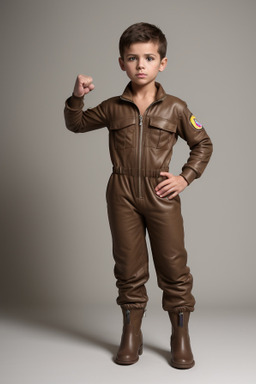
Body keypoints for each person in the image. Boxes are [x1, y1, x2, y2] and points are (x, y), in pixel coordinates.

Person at [64, 22, 213, 369]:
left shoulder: (176, 107)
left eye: (148, 57)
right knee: (128, 268)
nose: (140, 65)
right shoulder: (113, 106)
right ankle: (131, 334)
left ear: (162, 63)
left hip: (160, 194)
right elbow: (76, 123)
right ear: (122, 63)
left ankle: (180, 336)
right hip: (122, 193)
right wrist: (76, 97)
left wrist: (185, 178)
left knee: (174, 267)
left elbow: (203, 143)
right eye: (133, 58)